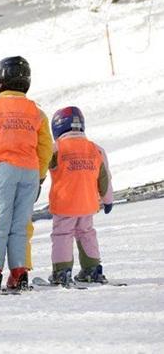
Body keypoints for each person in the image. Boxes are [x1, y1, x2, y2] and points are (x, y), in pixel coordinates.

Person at [0, 56, 53, 291]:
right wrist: (40, 175)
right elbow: (46, 146)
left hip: (4, 169)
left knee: (0, 221)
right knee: (21, 223)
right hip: (29, 170)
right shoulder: (36, 111)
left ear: (0, 79)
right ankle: (19, 272)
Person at [48, 106, 113, 285]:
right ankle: (92, 269)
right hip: (88, 204)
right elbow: (104, 177)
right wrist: (108, 200)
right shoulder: (96, 149)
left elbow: (38, 169)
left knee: (62, 234)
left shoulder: (55, 148)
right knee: (87, 233)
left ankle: (62, 272)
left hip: (64, 204)